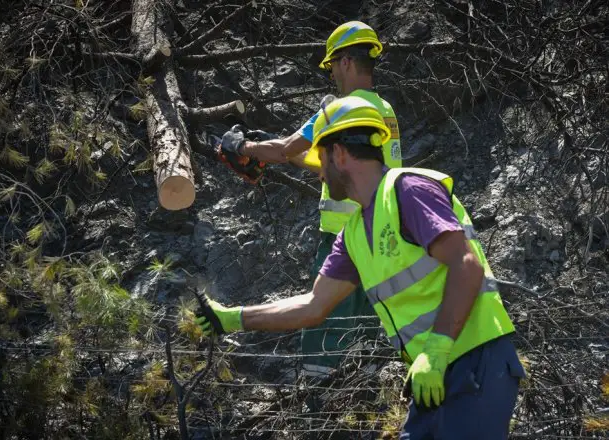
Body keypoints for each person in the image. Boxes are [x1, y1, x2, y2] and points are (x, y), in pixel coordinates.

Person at [197, 97, 526, 439]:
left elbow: (465, 262)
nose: (320, 172)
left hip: (474, 360)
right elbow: (314, 306)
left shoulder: (407, 189)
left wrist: (437, 349)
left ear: (339, 153)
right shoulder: (353, 233)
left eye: (321, 159)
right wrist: (233, 318)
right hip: (432, 371)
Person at [219, 21, 403, 378]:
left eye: (332, 65)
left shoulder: (341, 109)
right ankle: (360, 399)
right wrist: (277, 150)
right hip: (381, 233)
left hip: (342, 235)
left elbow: (288, 147)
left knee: (325, 322)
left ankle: (318, 400)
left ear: (346, 61)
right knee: (365, 324)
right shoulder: (384, 111)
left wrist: (242, 146)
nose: (332, 73)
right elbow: (331, 166)